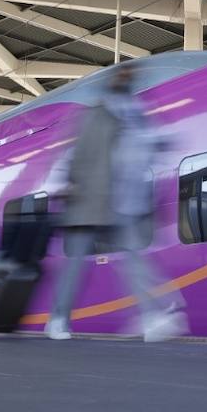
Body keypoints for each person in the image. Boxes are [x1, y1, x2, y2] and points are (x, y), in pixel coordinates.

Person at [45, 65, 186, 343]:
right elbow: (71, 154)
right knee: (76, 266)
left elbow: (143, 147)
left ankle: (152, 315)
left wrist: (163, 143)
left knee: (133, 257)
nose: (127, 79)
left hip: (118, 201)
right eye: (123, 75)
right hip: (87, 201)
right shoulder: (93, 115)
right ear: (112, 82)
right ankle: (58, 319)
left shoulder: (134, 112)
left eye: (130, 76)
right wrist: (59, 183)